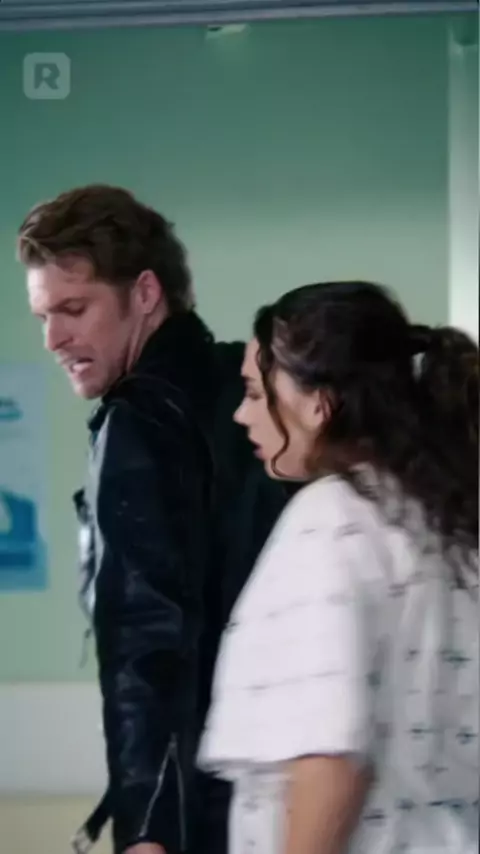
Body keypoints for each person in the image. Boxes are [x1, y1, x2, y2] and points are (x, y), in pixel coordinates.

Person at [16, 185, 290, 854]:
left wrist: (146, 826)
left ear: (144, 293)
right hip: (283, 787)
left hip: (198, 808)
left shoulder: (138, 420)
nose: (53, 339)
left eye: (73, 309)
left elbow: (147, 637)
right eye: (43, 317)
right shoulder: (251, 392)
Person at [198, 281, 479, 854]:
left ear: (318, 403)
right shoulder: (448, 521)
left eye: (255, 391)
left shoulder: (330, 521)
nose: (241, 414)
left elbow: (329, 757)